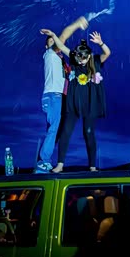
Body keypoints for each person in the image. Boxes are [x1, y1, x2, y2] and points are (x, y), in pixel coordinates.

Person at [39, 29, 111, 172]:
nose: (80, 61)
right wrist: (53, 35)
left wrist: (101, 43)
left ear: (88, 56)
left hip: (89, 104)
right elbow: (61, 45)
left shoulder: (95, 61)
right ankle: (60, 164)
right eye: (78, 58)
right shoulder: (73, 58)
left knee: (88, 133)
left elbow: (107, 53)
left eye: (83, 59)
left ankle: (92, 166)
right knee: (65, 132)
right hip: (73, 104)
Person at [36, 17, 88, 173]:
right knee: (54, 128)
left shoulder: (61, 62)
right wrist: (77, 24)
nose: (56, 42)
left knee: (56, 130)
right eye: (52, 41)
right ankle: (43, 162)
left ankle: (44, 162)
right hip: (53, 96)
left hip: (57, 97)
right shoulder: (50, 54)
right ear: (47, 46)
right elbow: (63, 36)